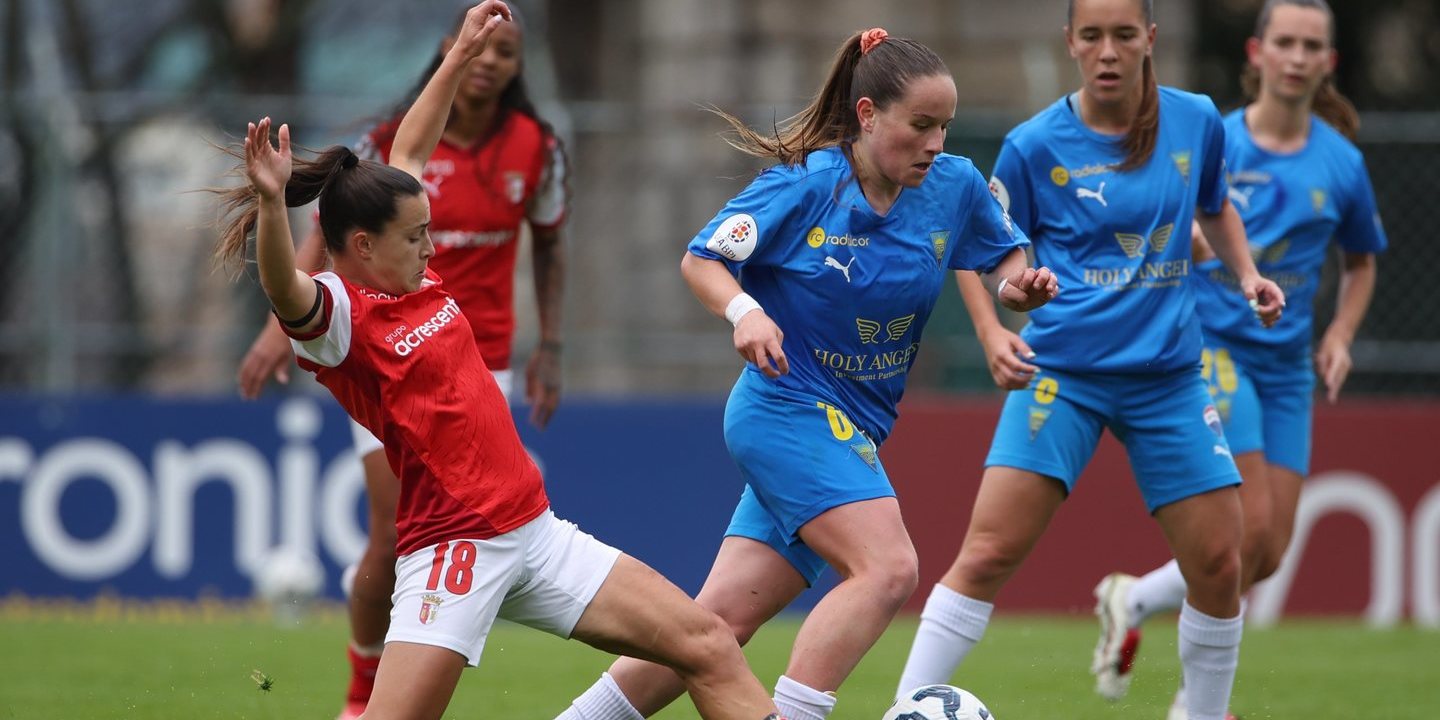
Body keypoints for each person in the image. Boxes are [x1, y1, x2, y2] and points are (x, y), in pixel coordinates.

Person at [212, 5, 783, 720]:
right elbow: (281, 286)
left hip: (535, 533)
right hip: (452, 553)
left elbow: (412, 147)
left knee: (708, 643)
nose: (433, 247)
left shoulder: (413, 271)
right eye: (418, 236)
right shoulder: (338, 317)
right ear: (361, 246)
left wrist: (457, 57)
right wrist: (271, 207)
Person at [555, 28, 1055, 720]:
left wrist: (1016, 291)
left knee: (717, 626)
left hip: (850, 427)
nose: (938, 143)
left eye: (945, 126)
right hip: (784, 410)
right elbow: (702, 259)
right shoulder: (806, 187)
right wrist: (744, 313)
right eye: (921, 126)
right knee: (888, 569)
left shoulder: (954, 187)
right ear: (869, 114)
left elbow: (1001, 257)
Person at [893, 1, 1288, 719]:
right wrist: (991, 332)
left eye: (1124, 35)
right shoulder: (1033, 144)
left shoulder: (1196, 119)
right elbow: (970, 241)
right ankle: (906, 708)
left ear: (1150, 41)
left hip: (1168, 378)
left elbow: (1214, 205)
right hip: (1063, 374)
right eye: (1094, 36)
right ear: (1070, 43)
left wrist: (1248, 272)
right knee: (985, 555)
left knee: (1222, 564)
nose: (1109, 51)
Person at [233, 6, 567, 717]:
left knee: (486, 514)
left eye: (507, 51)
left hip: (472, 354)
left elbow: (549, 243)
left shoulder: (536, 146)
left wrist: (553, 345)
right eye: (481, 49)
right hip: (386, 362)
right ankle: (366, 690)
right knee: (394, 533)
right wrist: (271, 222)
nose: (491, 62)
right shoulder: (360, 266)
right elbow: (304, 269)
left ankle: (443, 631)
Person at [1088, 1, 1387, 717]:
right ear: (1256, 53)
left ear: (1327, 63)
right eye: (1283, 41)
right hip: (1213, 347)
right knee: (1243, 528)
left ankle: (1136, 598)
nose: (1295, 55)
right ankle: (1199, 705)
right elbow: (1155, 213)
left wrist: (1340, 334)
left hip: (1286, 367)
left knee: (1270, 551)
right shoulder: (1210, 137)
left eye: (1310, 45)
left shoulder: (1342, 162)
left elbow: (1363, 262)